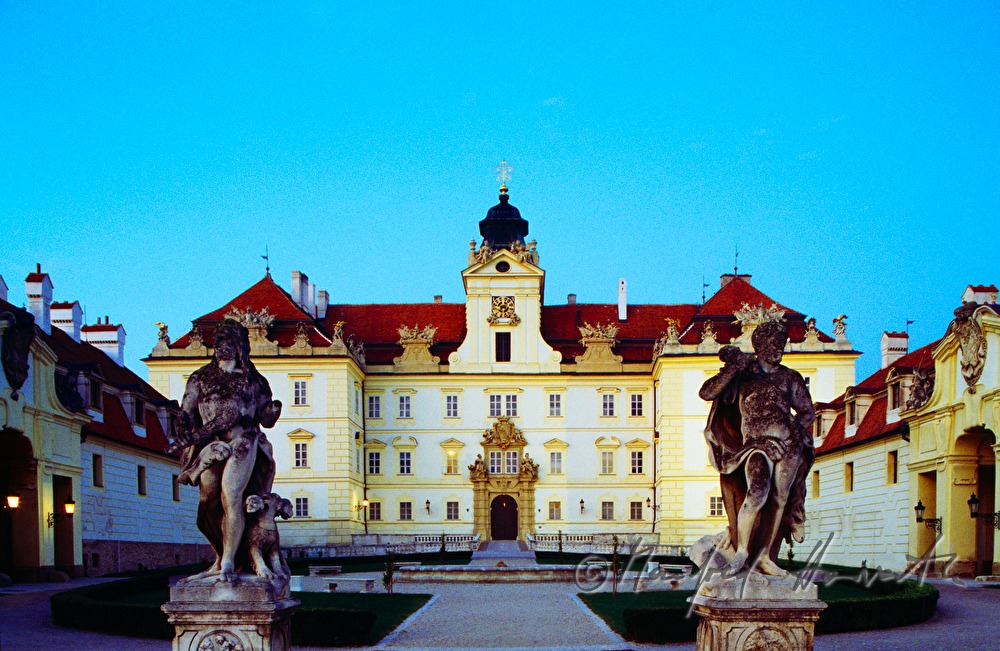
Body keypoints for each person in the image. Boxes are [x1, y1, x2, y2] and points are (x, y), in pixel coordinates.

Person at [167, 319, 281, 582]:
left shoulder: (255, 381)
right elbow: (186, 411)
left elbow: (265, 420)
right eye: (217, 340)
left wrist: (272, 411)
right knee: (208, 503)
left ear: (239, 345)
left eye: (226, 340)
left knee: (231, 495)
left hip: (243, 441)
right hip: (210, 444)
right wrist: (182, 426)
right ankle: (220, 556)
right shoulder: (201, 377)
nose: (219, 345)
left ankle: (229, 561)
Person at [699, 321, 814, 576]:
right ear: (759, 346)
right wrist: (732, 369)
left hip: (789, 444)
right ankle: (742, 553)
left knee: (780, 498)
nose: (778, 349)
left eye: (781, 344)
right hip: (755, 445)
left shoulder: (790, 377)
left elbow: (807, 411)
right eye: (773, 344)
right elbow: (707, 392)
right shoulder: (745, 375)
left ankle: (765, 557)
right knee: (758, 492)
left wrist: (795, 431)